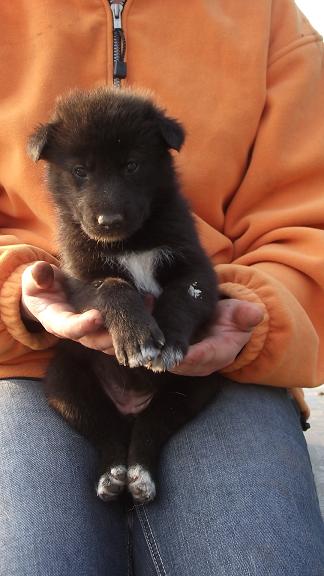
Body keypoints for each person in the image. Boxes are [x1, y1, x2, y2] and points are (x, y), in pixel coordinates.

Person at [1, 0, 324, 574]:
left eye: (127, 169)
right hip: (36, 362)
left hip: (223, 357)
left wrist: (259, 311)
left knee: (262, 561)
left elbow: (310, 220)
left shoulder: (268, 15)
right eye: (81, 175)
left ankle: (140, 458)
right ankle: (118, 460)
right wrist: (13, 291)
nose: (103, 205)